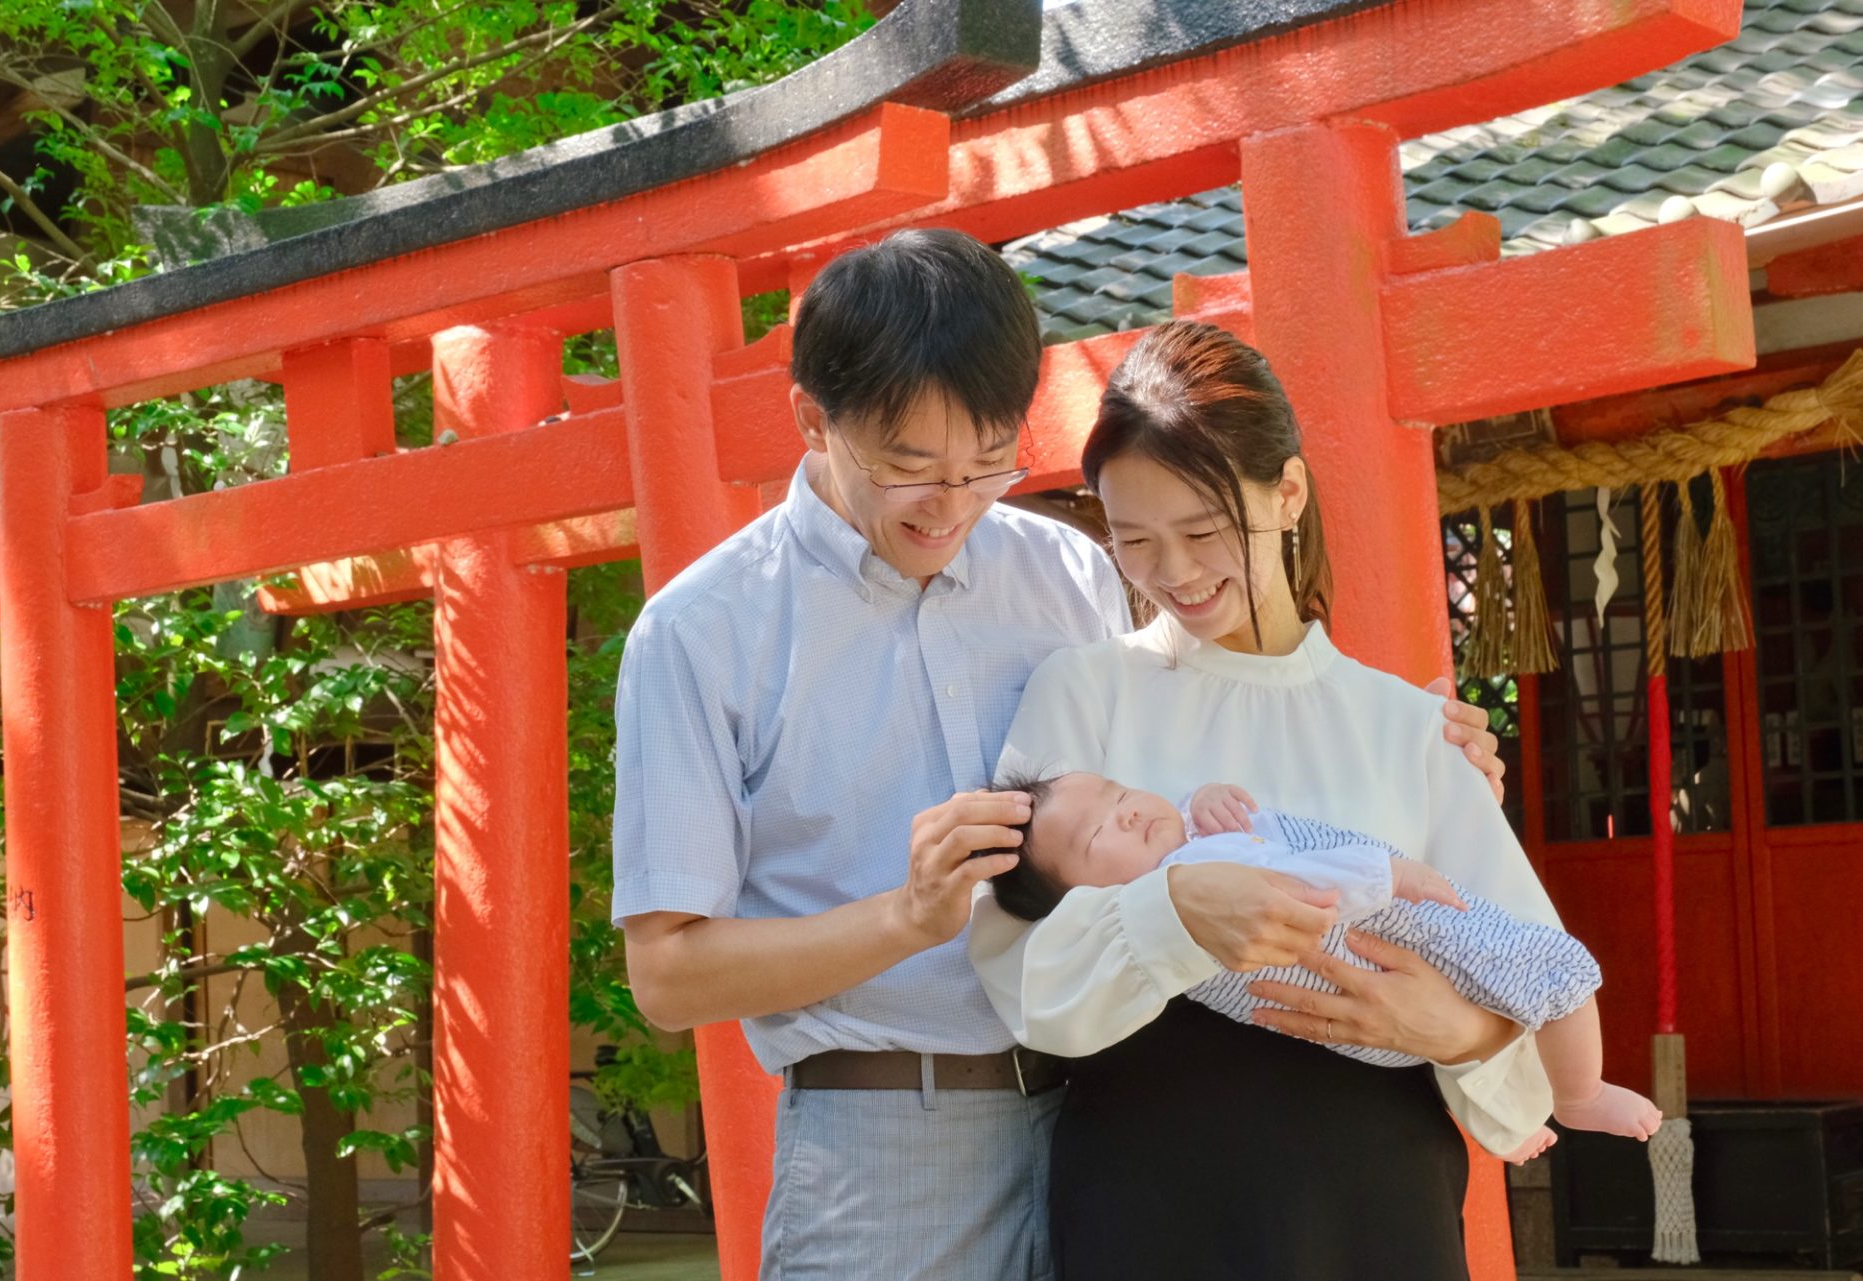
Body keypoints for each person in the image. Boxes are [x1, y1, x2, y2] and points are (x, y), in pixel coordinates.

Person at [611, 230, 1507, 1281]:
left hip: (1127, 1116)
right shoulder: (701, 633)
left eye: (989, 463)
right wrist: (904, 920)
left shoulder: (1068, 573)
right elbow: (666, 975)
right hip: (896, 1141)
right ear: (813, 417)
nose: (952, 506)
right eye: (912, 469)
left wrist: (1413, 764)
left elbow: (1202, 774)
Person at [970, 320, 1565, 1280]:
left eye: (1204, 532)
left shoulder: (1404, 724)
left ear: (1286, 493)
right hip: (1152, 1190)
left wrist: (1439, 1027)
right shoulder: (1081, 691)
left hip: (1378, 1195)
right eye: (1134, 540)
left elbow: (1529, 971)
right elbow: (1019, 971)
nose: (1174, 574)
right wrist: (1171, 913)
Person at [981, 771, 1662, 1161]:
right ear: (1083, 905)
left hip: (1381, 1041)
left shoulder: (1188, 847)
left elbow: (1231, 832)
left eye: (1116, 791)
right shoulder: (1187, 883)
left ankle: (1522, 1122)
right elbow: (1303, 880)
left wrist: (1203, 801)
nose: (1125, 813)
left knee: (1509, 1000)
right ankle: (1580, 1093)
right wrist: (1387, 873)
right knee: (1556, 973)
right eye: (1095, 834)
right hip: (1375, 947)